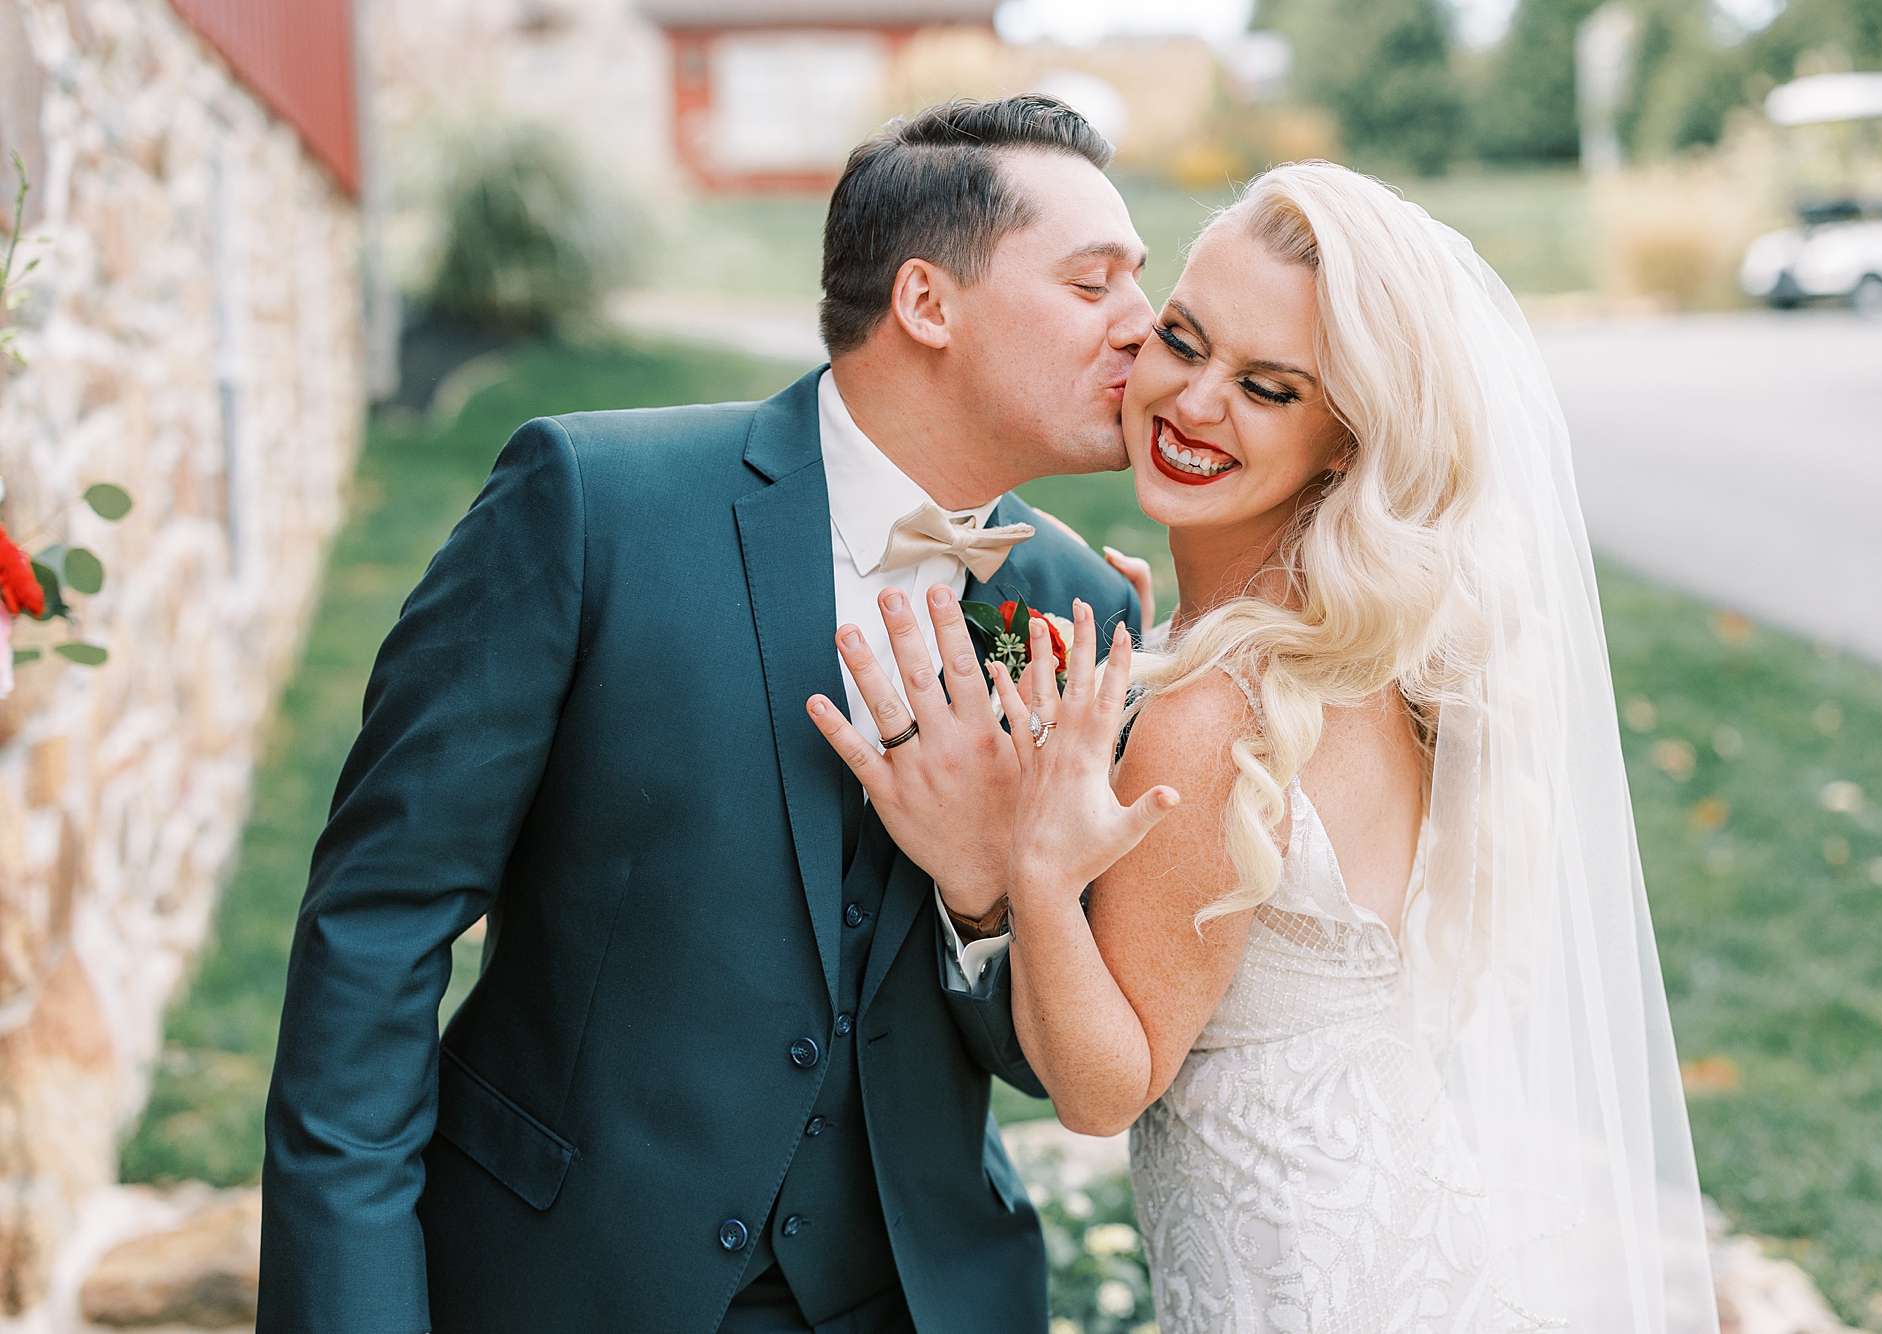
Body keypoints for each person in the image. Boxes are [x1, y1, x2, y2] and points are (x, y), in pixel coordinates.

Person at [256, 96, 1148, 1334]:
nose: (1143, 330)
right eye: (1092, 283)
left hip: (917, 1299)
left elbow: (1040, 1055)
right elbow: (373, 934)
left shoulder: (1076, 604)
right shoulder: (592, 504)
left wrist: (986, 896)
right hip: (560, 1286)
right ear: (927, 303)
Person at [817, 163, 1721, 1332]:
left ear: (1345, 438)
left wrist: (1023, 863)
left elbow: (1101, 1087)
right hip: (1405, 1234)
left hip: (1298, 1285)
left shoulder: (1211, 716)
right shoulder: (1359, 648)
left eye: (1267, 387)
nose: (1194, 403)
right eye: (1182, 340)